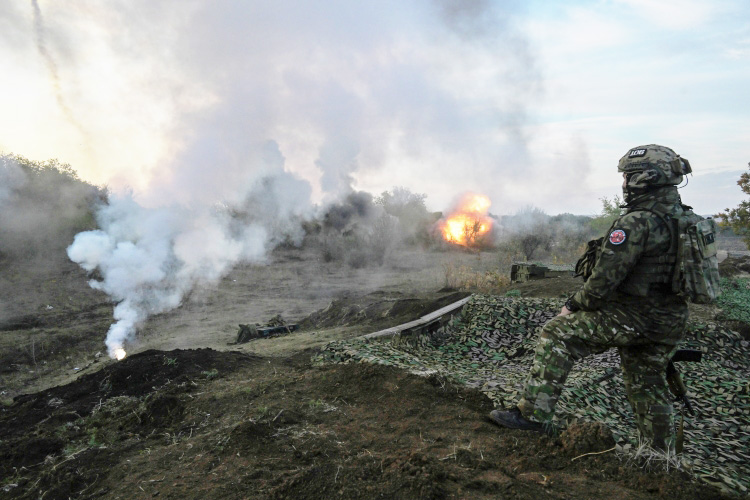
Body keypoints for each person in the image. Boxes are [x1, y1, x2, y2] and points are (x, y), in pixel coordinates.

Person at [490, 144, 693, 452]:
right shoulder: (689, 221)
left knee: (556, 334)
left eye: (628, 176)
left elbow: (603, 281)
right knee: (647, 384)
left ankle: (531, 415)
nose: (624, 183)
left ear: (645, 179)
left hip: (634, 317)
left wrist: (572, 306)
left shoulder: (636, 223)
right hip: (669, 321)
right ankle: (660, 457)